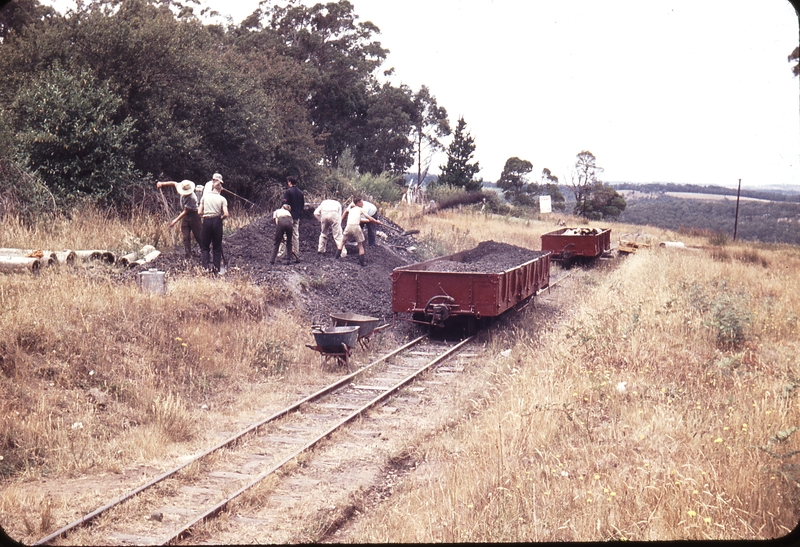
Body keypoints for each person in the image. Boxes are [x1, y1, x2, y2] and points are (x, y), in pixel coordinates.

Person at [156, 179, 202, 259]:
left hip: (194, 215)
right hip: (186, 217)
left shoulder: (192, 198)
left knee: (198, 236)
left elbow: (185, 211)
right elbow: (174, 183)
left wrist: (174, 221)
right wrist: (162, 183)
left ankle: (205, 252)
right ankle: (188, 255)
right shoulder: (181, 186)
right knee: (185, 236)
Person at [335, 197, 381, 267]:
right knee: (360, 245)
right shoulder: (361, 209)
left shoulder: (351, 209)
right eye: (362, 202)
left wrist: (371, 221)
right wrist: (375, 221)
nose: (363, 203)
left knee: (342, 242)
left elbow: (358, 219)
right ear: (358, 203)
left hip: (348, 226)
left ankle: (336, 258)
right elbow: (369, 218)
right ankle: (362, 263)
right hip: (356, 227)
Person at [198, 179, 229, 273]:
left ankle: (205, 268)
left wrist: (205, 215)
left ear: (212, 188)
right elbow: (226, 214)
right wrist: (221, 218)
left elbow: (199, 212)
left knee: (205, 247)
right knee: (216, 247)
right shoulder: (222, 199)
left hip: (207, 220)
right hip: (217, 221)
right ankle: (216, 269)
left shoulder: (204, 197)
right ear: (220, 189)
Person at [279, 175, 304, 262]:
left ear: (289, 182)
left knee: (285, 234)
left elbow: (284, 204)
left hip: (288, 216)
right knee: (295, 235)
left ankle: (282, 254)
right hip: (297, 216)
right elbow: (302, 206)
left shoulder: (288, 192)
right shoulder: (300, 192)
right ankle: (296, 254)